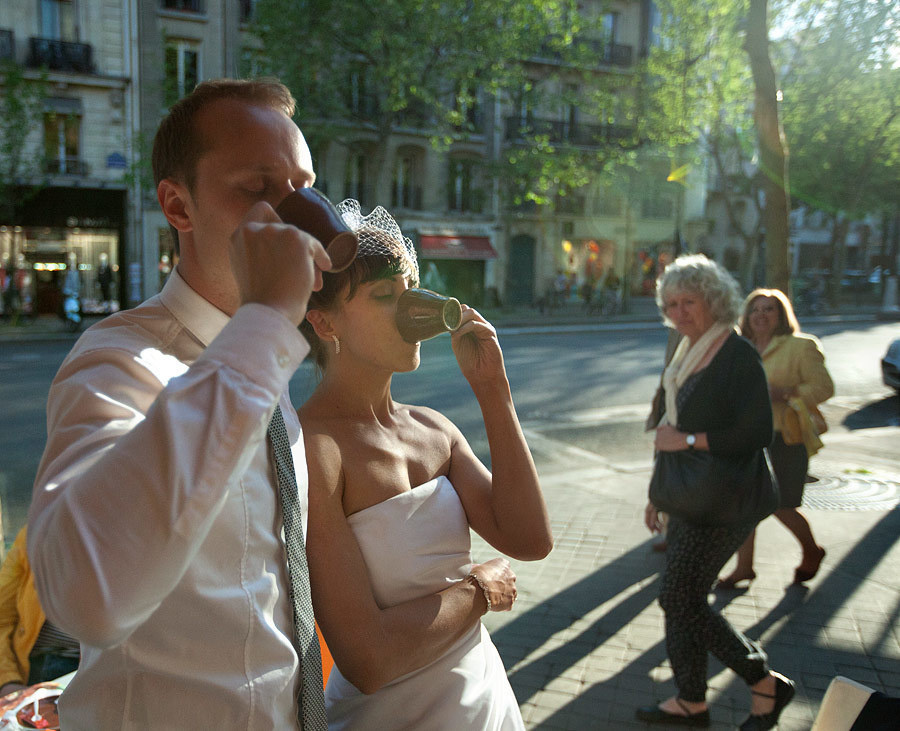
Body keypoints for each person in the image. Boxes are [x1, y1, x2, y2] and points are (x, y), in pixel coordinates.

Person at [26, 78, 336, 728]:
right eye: (257, 188)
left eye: (304, 188)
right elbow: (84, 596)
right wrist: (271, 318)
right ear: (179, 206)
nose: (293, 212)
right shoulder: (119, 359)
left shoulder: (262, 356)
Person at [299, 200, 553, 729]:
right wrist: (477, 591)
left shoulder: (434, 429)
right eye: (384, 295)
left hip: (485, 700)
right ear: (324, 322)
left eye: (410, 286)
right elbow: (367, 661)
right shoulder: (315, 446)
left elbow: (530, 540)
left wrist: (494, 391)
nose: (410, 305)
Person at [637, 255, 795, 730]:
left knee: (680, 598)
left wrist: (686, 442)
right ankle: (691, 700)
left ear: (714, 301)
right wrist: (657, 494)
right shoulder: (686, 348)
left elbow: (757, 433)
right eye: (671, 304)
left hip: (727, 501)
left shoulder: (736, 353)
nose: (680, 312)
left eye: (689, 302)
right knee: (677, 597)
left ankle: (762, 680)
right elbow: (671, 423)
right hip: (689, 495)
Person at [718, 288, 833, 589]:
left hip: (785, 437)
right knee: (745, 505)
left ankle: (811, 551)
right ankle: (744, 568)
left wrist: (785, 393)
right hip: (747, 438)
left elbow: (823, 387)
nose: (761, 315)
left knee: (780, 505)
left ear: (781, 316)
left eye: (769, 309)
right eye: (755, 309)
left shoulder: (801, 346)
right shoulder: (741, 347)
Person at [0, 526, 80, 698]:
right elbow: (2, 617)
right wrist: (7, 682)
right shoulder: (31, 536)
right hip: (32, 668)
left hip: (91, 670)